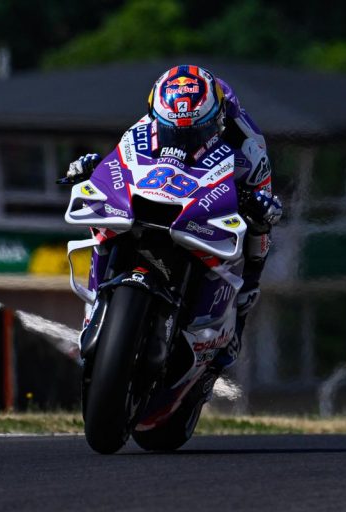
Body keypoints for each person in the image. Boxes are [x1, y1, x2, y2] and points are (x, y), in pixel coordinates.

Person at [66, 64, 282, 382]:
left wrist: (262, 208)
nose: (181, 137)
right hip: (163, 192)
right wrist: (94, 167)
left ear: (217, 120)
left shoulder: (248, 145)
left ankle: (237, 321)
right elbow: (122, 159)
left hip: (213, 200)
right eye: (171, 130)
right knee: (107, 218)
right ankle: (99, 300)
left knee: (259, 234)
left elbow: (263, 193)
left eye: (192, 131)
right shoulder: (149, 123)